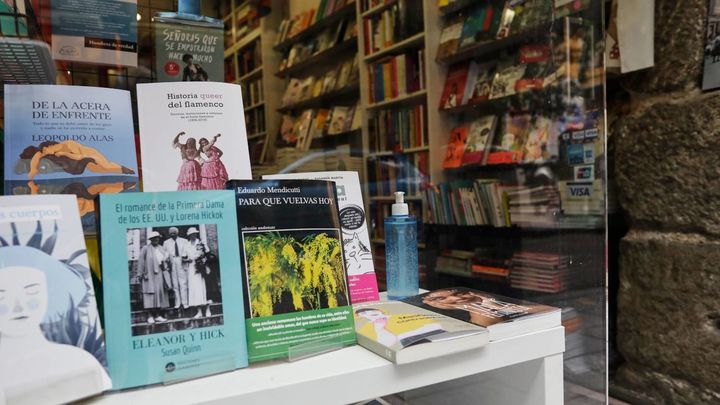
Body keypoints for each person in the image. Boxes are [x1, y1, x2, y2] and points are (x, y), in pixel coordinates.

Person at [0, 246, 110, 403]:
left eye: (31, 291)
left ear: (48, 294)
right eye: (2, 296)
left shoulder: (80, 360)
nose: (18, 307)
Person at [23, 140, 135, 180]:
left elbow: (80, 157)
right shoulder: (46, 151)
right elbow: (37, 156)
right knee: (98, 170)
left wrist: (64, 153)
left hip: (89, 154)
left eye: (45, 151)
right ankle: (123, 171)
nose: (45, 153)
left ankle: (126, 169)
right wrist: (33, 170)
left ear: (49, 146)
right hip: (83, 161)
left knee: (106, 166)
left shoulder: (68, 144)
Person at [137, 231, 169, 324]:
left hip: (159, 274)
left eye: (157, 237)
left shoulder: (161, 248)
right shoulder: (145, 248)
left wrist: (165, 264)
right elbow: (141, 261)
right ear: (150, 239)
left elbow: (165, 261)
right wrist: (140, 274)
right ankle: (150, 316)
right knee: (149, 295)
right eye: (154, 238)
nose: (156, 239)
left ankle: (157, 315)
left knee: (159, 294)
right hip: (149, 275)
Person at [162, 227, 190, 310]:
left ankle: (185, 303)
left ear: (177, 233)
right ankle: (177, 303)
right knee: (175, 284)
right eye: (171, 233)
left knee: (183, 283)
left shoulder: (184, 241)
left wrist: (186, 259)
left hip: (181, 261)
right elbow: (165, 254)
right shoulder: (166, 242)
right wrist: (166, 261)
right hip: (172, 262)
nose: (172, 234)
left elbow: (187, 252)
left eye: (174, 233)